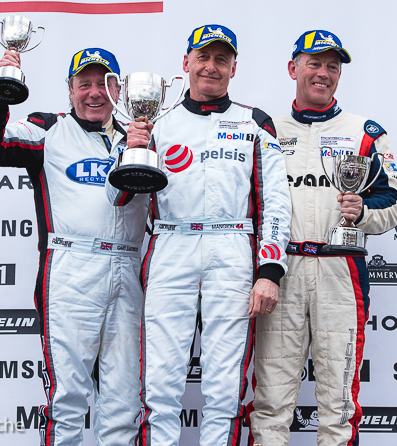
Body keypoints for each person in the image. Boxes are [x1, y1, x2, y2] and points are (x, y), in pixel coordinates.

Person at [108, 24, 292, 445]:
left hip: (232, 249)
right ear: (185, 63)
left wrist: (270, 270)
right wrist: (131, 149)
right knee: (160, 383)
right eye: (203, 57)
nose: (211, 67)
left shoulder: (254, 122)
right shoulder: (157, 121)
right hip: (170, 244)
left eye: (221, 59)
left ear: (233, 68)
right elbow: (118, 199)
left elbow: (275, 203)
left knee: (225, 387)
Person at [0, 47, 147, 446]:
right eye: (85, 84)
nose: (96, 92)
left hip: (129, 270)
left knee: (124, 402)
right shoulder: (48, 128)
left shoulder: (140, 136)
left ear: (121, 89)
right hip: (71, 269)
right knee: (66, 399)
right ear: (70, 90)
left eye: (105, 83)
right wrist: (1, 91)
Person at [249, 30, 397, 446]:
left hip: (341, 270)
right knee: (270, 401)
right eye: (314, 63)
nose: (323, 73)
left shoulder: (365, 132)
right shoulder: (264, 129)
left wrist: (364, 213)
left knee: (338, 403)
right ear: (293, 69)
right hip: (280, 271)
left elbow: (395, 200)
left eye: (332, 67)